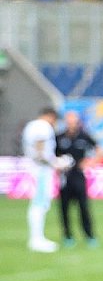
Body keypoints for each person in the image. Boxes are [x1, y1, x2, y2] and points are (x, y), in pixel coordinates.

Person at [54, 110, 101, 247]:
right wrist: (58, 164)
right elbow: (53, 155)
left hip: (79, 176)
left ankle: (89, 235)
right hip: (65, 176)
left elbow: (99, 149)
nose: (71, 123)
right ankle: (67, 236)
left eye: (73, 121)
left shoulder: (84, 136)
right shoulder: (59, 137)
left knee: (83, 207)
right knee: (64, 208)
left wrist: (91, 162)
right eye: (69, 121)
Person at [21, 104, 63, 252]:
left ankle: (37, 237)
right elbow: (40, 150)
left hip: (36, 168)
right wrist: (54, 163)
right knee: (40, 203)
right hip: (41, 169)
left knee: (39, 203)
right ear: (51, 117)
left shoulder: (31, 125)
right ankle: (36, 239)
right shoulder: (43, 127)